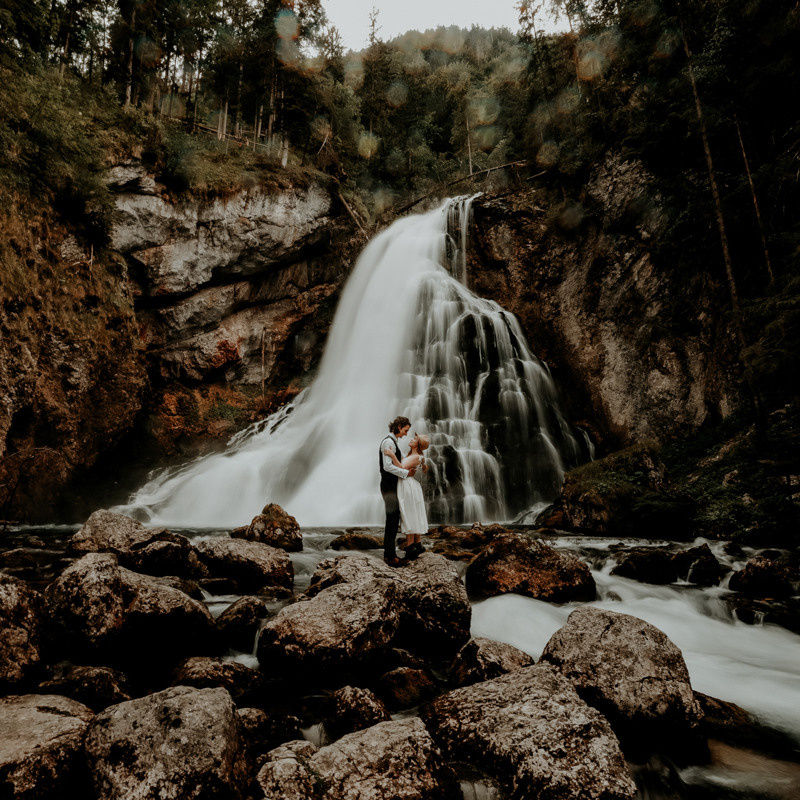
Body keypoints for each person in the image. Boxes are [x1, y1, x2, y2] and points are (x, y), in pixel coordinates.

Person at [379, 416, 416, 567]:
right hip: (388, 485)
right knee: (392, 520)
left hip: (392, 485)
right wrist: (406, 474)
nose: (406, 434)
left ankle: (390, 554)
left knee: (394, 520)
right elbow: (387, 467)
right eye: (405, 430)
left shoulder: (392, 442)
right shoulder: (388, 442)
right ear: (399, 426)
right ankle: (389, 557)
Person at [387, 434, 430, 560]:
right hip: (406, 485)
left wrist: (391, 455)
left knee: (409, 514)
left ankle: (411, 548)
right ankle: (417, 545)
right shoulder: (411, 455)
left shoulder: (417, 456)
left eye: (415, 439)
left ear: (419, 444)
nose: (411, 439)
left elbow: (403, 468)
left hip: (408, 486)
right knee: (413, 513)